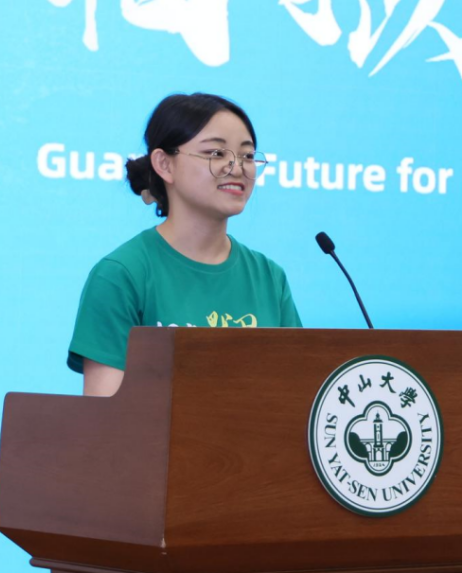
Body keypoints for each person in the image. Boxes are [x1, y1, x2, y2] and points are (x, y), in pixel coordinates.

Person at [67, 93, 302, 396]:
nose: (237, 167)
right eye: (216, 153)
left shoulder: (269, 277)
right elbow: (106, 414)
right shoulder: (121, 274)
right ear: (165, 164)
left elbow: (296, 393)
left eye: (246, 155)